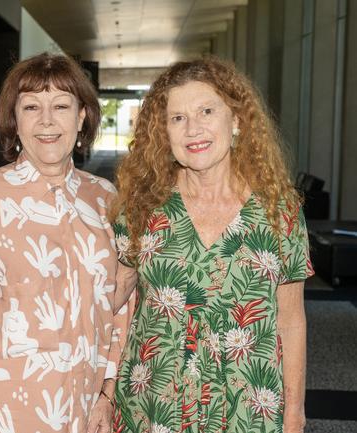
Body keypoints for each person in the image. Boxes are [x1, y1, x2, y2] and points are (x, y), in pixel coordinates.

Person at [110, 57, 313, 433]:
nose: (193, 129)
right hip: (153, 407)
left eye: (206, 110)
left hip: (246, 409)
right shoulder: (141, 209)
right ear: (163, 132)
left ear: (235, 119)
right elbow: (112, 299)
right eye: (177, 118)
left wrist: (294, 413)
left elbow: (291, 321)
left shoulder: (277, 211)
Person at [0, 52, 134, 433]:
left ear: (81, 117)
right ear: (15, 120)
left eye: (61, 106)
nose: (47, 121)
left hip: (79, 411)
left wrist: (106, 396)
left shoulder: (105, 199)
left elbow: (120, 310)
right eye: (31, 107)